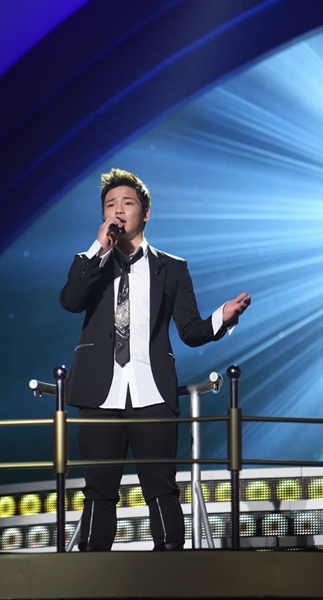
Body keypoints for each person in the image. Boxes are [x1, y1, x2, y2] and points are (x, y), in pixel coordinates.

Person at [60, 168, 251, 551]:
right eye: (110, 205)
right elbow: (70, 301)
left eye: (127, 203)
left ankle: (169, 564)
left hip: (152, 392)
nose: (118, 210)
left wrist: (222, 318)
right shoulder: (91, 261)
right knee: (98, 489)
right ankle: (92, 568)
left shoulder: (172, 268)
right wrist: (99, 250)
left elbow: (190, 330)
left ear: (145, 212)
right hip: (100, 393)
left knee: (161, 486)